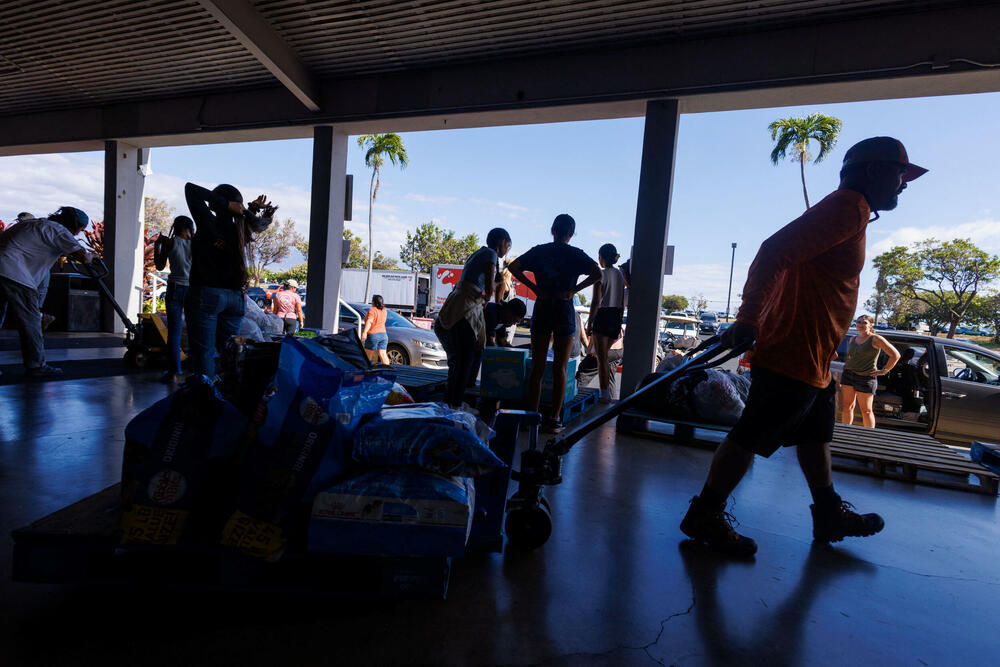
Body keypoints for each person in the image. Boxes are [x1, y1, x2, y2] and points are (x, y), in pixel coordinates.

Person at [680, 136, 926, 557]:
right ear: (873, 171)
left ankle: (829, 512)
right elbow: (774, 250)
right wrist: (748, 317)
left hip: (814, 355)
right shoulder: (847, 207)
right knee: (752, 434)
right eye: (900, 174)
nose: (904, 184)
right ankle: (705, 512)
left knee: (815, 435)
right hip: (793, 348)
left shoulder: (854, 212)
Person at [508, 214, 601, 433]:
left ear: (553, 230)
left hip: (542, 307)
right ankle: (555, 418)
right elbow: (598, 274)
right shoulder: (576, 254)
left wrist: (534, 288)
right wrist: (573, 291)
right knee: (560, 368)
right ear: (571, 233)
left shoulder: (540, 251)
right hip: (563, 309)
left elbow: (513, 268)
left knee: (537, 368)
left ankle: (532, 416)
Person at [184, 182, 274, 379]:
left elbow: (190, 189)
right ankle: (228, 396)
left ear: (215, 204)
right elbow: (243, 219)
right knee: (229, 353)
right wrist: (249, 208)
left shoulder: (208, 222)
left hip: (207, 295)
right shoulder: (240, 230)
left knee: (203, 353)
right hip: (235, 298)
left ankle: (205, 400)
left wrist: (225, 204)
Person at [0, 207, 93, 377]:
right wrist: (89, 256)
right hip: (14, 273)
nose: (79, 234)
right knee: (31, 322)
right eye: (80, 230)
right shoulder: (58, 230)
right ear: (75, 225)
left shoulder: (32, 224)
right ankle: (36, 366)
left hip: (5, 267)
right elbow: (82, 256)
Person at [435, 228, 513, 407]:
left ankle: (452, 400)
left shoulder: (480, 252)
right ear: (502, 242)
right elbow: (490, 275)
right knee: (465, 357)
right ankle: (454, 403)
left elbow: (494, 278)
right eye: (508, 246)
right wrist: (488, 295)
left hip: (462, 304)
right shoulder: (490, 254)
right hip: (465, 308)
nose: (507, 250)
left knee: (464, 357)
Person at [153, 215, 195, 384]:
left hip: (175, 288)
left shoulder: (170, 242)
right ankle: (195, 369)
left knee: (174, 332)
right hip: (192, 289)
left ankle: (173, 373)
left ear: (175, 227)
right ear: (190, 228)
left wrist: (158, 246)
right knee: (195, 331)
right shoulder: (196, 244)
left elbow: (159, 266)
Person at [840, 314, 900, 427]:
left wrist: (884, 370)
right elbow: (851, 357)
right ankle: (846, 432)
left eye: (864, 322)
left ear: (871, 325)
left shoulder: (876, 339)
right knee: (847, 407)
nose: (860, 325)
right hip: (848, 375)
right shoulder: (853, 339)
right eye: (858, 322)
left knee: (866, 411)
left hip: (865, 378)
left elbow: (895, 355)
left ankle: (868, 437)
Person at [587, 243, 626, 403]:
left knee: (601, 359)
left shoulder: (600, 275)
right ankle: (605, 392)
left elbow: (596, 301)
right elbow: (622, 301)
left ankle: (604, 395)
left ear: (601, 257)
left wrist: (590, 323)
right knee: (604, 358)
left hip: (603, 316)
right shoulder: (620, 275)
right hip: (616, 316)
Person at [888, 347, 923, 421]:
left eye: (911, 354)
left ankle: (909, 414)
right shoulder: (899, 364)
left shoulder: (907, 364)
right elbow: (896, 377)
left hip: (903, 386)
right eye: (909, 354)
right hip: (897, 386)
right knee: (910, 395)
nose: (910, 355)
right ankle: (908, 415)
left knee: (912, 394)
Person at [361, 294, 391, 365]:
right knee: (383, 354)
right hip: (383, 335)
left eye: (372, 300)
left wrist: (364, 332)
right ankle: (388, 371)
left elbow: (370, 321)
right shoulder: (384, 311)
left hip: (373, 335)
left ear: (374, 302)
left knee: (368, 356)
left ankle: (367, 372)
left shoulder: (372, 310)